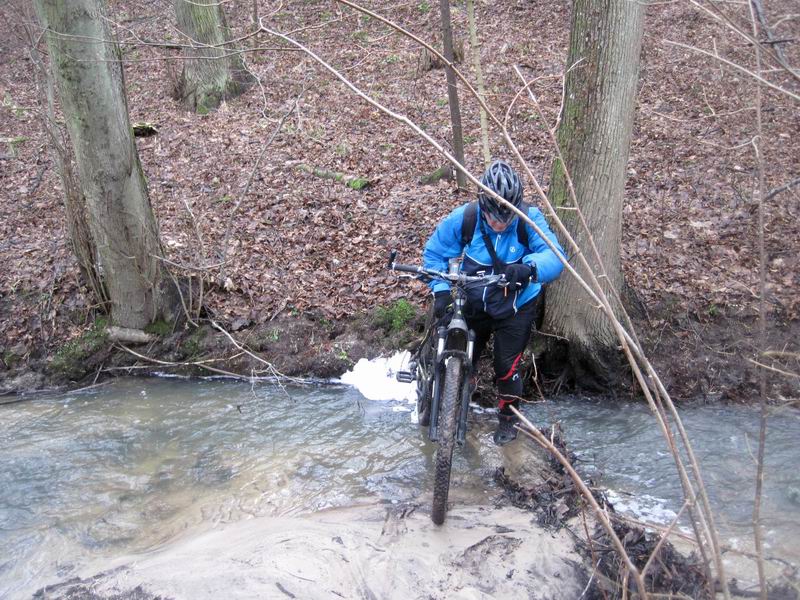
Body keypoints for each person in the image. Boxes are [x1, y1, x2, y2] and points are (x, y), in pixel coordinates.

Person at [423, 159, 566, 445]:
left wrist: (529, 268)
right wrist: (440, 291)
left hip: (515, 306)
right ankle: (456, 397)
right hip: (474, 299)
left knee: (506, 365)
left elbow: (555, 256)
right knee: (460, 352)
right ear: (484, 205)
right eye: (494, 217)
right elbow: (434, 254)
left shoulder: (529, 220)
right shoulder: (467, 218)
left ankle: (508, 418)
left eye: (506, 218)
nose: (499, 224)